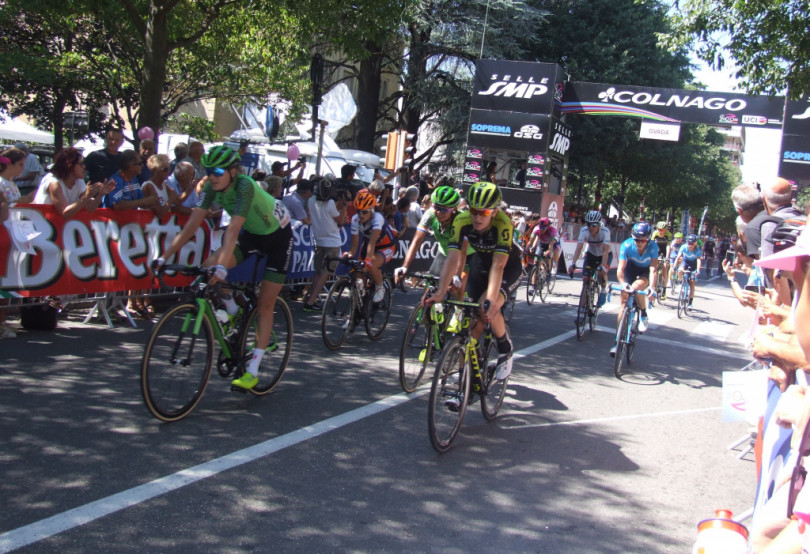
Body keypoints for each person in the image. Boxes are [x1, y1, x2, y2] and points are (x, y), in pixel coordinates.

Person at [153, 145, 294, 391]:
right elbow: (191, 226)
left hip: (278, 237)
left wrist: (222, 269)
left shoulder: (245, 186)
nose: (212, 175)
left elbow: (232, 229)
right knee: (208, 267)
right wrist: (163, 256)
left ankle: (252, 370)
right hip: (253, 234)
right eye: (209, 170)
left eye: (218, 170)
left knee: (265, 304)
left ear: (233, 171)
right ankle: (230, 309)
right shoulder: (209, 187)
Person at [426, 181, 523, 382]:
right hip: (480, 263)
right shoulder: (461, 220)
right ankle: (466, 380)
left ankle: (505, 347)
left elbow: (498, 266)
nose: (477, 218)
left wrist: (490, 298)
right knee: (470, 327)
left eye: (484, 213)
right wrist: (440, 292)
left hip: (507, 266)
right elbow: (452, 257)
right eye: (474, 211)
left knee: (487, 305)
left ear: (494, 212)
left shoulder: (504, 223)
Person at [394, 186, 472, 320]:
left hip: (465, 256)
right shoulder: (430, 214)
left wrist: (457, 275)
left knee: (458, 289)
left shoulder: (460, 220)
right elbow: (416, 241)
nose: (438, 212)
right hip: (444, 252)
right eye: (436, 207)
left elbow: (463, 251)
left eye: (444, 209)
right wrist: (405, 266)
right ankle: (431, 327)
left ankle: (459, 315)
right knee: (430, 290)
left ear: (453, 209)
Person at [611, 222, 659, 356]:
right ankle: (617, 341)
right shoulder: (627, 244)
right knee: (623, 302)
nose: (639, 243)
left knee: (636, 287)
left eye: (642, 240)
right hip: (630, 270)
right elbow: (620, 268)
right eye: (636, 239)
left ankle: (643, 313)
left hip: (644, 271)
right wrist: (622, 283)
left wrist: (652, 287)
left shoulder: (653, 246)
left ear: (648, 239)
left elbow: (653, 269)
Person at [302, 178, 347, 312]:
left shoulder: (311, 201)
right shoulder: (330, 203)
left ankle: (310, 297)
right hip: (332, 241)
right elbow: (340, 221)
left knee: (317, 270)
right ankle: (311, 300)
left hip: (319, 239)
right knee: (326, 272)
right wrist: (344, 206)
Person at [345, 191, 397, 303]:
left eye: (364, 212)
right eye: (358, 211)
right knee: (357, 271)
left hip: (386, 246)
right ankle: (359, 304)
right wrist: (349, 254)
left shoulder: (377, 218)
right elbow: (354, 245)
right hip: (369, 245)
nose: (361, 215)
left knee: (371, 264)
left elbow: (372, 242)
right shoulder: (355, 219)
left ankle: (379, 286)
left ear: (372, 210)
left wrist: (368, 260)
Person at [33, 147, 114, 218]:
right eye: (81, 164)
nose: (84, 166)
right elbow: (65, 213)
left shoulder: (79, 180)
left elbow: (89, 209)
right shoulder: (54, 183)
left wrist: (100, 195)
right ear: (69, 165)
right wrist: (86, 197)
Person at [568, 210, 611, 307]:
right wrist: (573, 263)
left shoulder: (605, 232)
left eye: (594, 225)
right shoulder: (584, 231)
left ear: (599, 224)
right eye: (589, 224)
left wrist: (603, 266)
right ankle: (583, 309)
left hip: (604, 255)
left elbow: (605, 251)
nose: (591, 227)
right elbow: (579, 247)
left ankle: (603, 291)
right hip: (591, 253)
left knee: (601, 273)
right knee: (585, 280)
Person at [526, 217, 560, 296]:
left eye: (544, 228)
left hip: (553, 244)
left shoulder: (552, 231)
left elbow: (551, 245)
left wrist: (548, 251)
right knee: (536, 263)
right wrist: (526, 250)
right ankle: (533, 287)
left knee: (549, 256)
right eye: (541, 228)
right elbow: (530, 242)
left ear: (548, 227)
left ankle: (548, 273)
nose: (542, 230)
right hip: (541, 244)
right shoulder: (536, 229)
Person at [141, 154, 179, 220]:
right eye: (165, 169)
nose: (169, 172)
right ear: (155, 171)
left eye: (169, 168)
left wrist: (190, 189)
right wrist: (170, 199)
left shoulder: (164, 184)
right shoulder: (149, 186)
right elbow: (160, 214)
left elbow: (176, 201)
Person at [673, 233, 703, 308]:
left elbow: (699, 260)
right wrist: (674, 266)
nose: (690, 245)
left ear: (695, 243)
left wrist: (698, 270)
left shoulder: (697, 249)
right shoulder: (683, 247)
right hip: (685, 262)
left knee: (692, 283)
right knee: (680, 271)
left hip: (693, 264)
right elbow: (678, 257)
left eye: (692, 244)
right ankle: (680, 283)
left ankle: (690, 303)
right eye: (689, 243)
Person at [665, 231, 685, 296]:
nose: (678, 240)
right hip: (673, 256)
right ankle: (669, 281)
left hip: (680, 257)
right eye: (677, 238)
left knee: (680, 269)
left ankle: (679, 282)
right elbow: (670, 248)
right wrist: (668, 257)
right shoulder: (673, 242)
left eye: (680, 238)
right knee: (671, 267)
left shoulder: (683, 244)